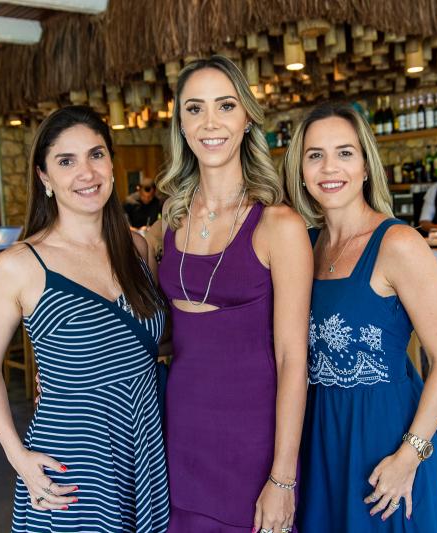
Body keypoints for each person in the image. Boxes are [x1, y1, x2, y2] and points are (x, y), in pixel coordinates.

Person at [0, 106, 170, 532]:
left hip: (145, 449)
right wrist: (17, 455)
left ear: (111, 164)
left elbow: (146, 343)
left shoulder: (136, 249)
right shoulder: (20, 265)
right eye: (66, 161)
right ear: (44, 177)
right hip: (75, 462)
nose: (86, 173)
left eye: (96, 154)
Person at [283, 102, 437, 531]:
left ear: (365, 165)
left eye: (344, 153)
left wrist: (409, 456)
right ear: (301, 170)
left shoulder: (399, 243)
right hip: (320, 440)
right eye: (315, 155)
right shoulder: (303, 245)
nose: (330, 167)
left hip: (385, 444)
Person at [156, 55, 311, 533]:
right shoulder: (171, 217)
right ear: (181, 125)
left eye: (225, 106)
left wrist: (282, 477)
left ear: (247, 119)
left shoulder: (279, 224)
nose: (210, 123)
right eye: (194, 108)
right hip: (180, 433)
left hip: (252, 441)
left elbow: (293, 359)